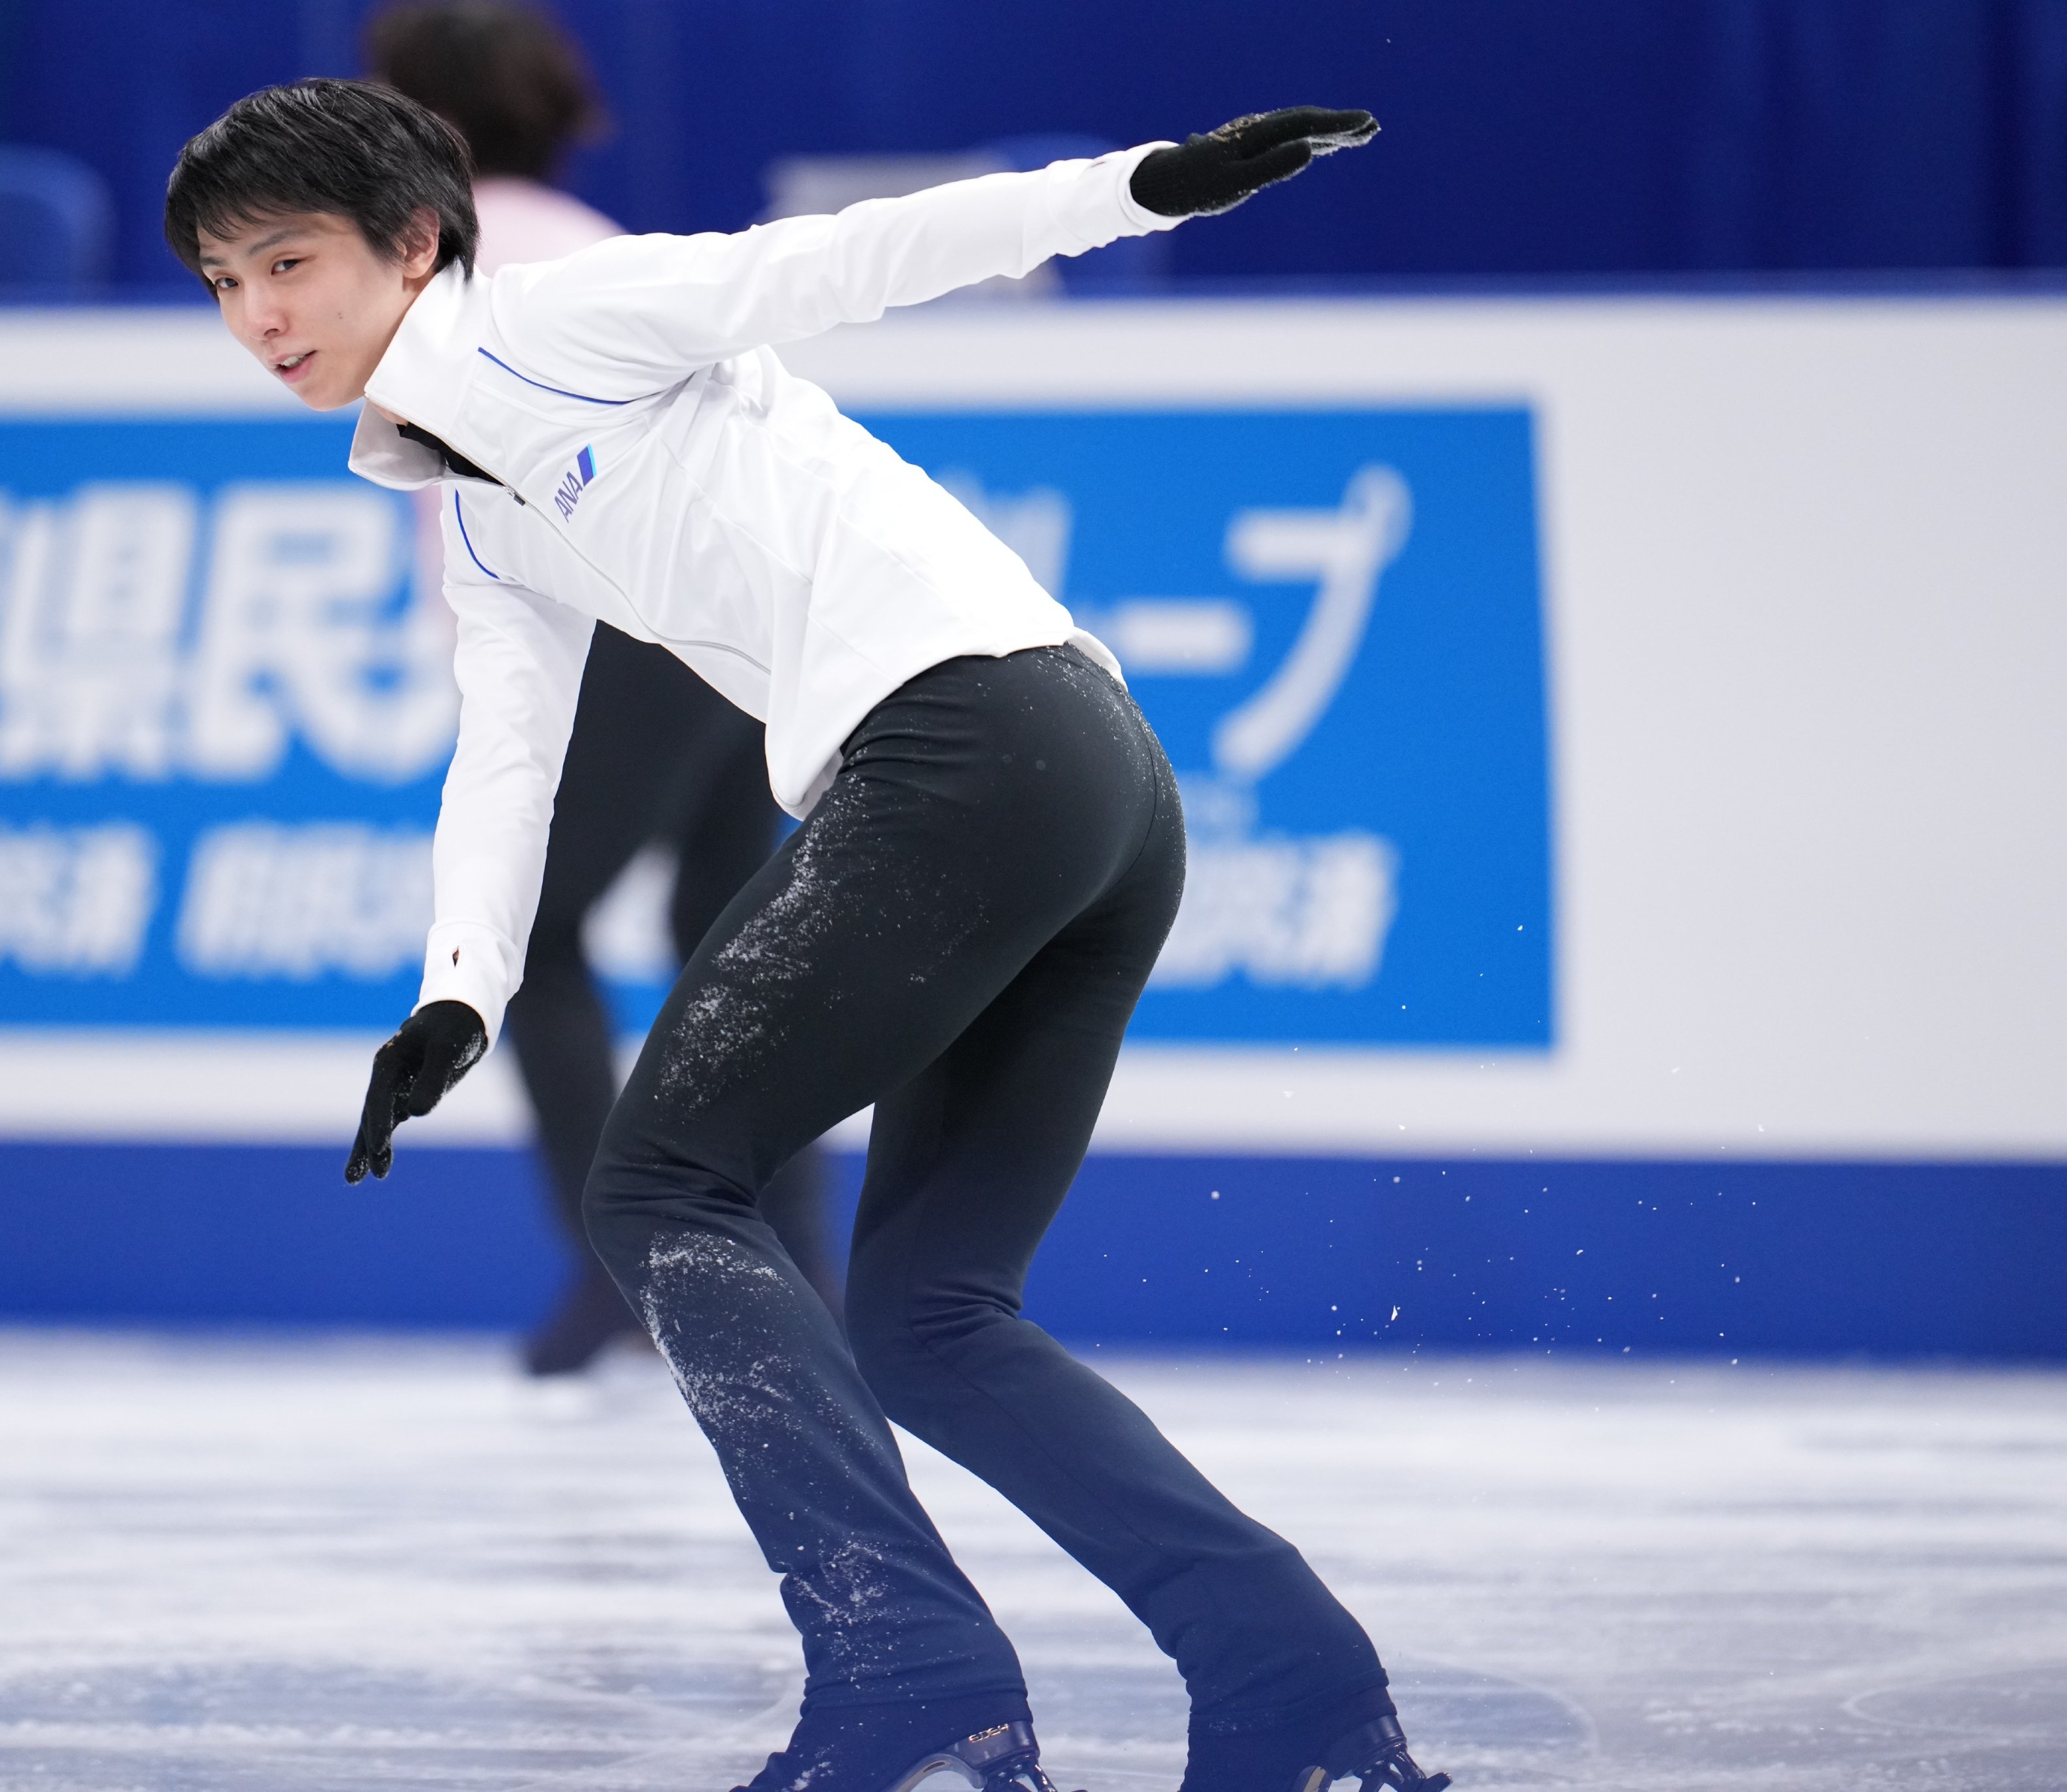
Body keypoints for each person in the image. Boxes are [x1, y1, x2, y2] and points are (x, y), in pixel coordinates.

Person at [165, 80, 1449, 1792]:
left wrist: (1141, 187)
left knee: (655, 1186)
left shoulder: (556, 322)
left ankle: (907, 1672)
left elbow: (848, 258)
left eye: (287, 263)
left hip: (968, 748)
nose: (257, 317)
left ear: (413, 245)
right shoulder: (477, 496)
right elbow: (506, 748)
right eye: (221, 282)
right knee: (929, 1321)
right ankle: (1295, 1689)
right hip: (1083, 775)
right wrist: (458, 993)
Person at [363, 0, 843, 1377]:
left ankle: (630, 1265)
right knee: (723, 936)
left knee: (534, 935)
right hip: (739, 626)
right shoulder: (596, 244)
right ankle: (794, 1272)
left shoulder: (437, 268)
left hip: (620, 627)